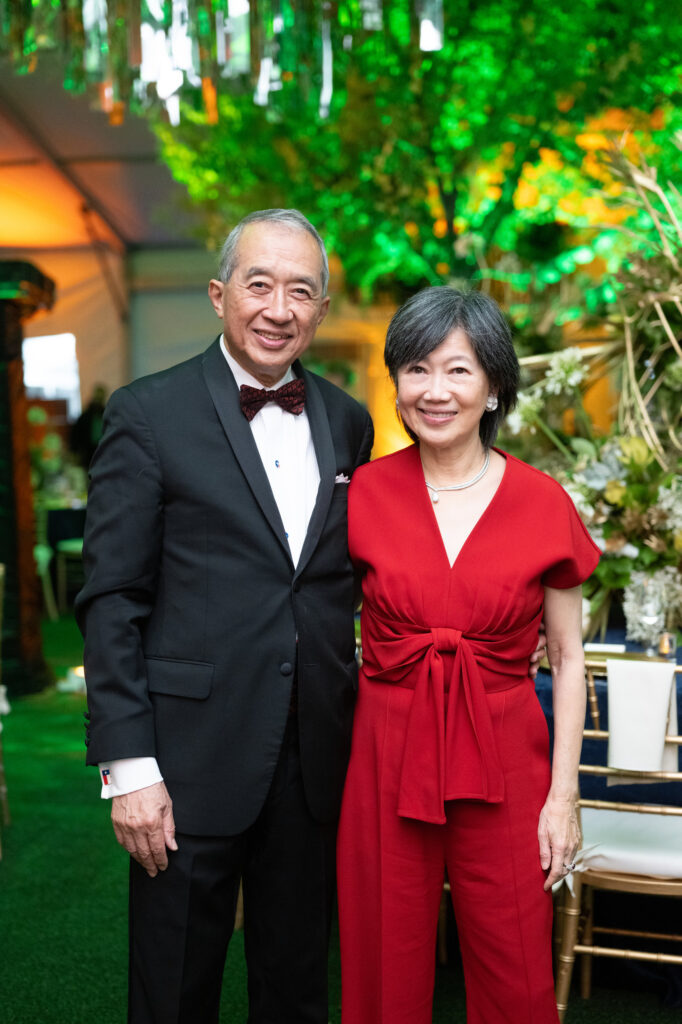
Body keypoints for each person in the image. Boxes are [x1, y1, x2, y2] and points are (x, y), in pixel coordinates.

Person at [74, 209, 374, 1024]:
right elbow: (112, 598)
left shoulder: (349, 421)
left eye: (301, 291)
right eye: (259, 284)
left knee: (297, 988)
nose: (279, 308)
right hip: (186, 760)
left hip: (314, 759)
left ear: (321, 309)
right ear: (219, 295)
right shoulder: (147, 412)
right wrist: (129, 767)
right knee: (173, 991)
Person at [336, 287, 600, 1024]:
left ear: (493, 388)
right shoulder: (363, 493)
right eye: (416, 369)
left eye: (458, 370)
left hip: (507, 753)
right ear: (397, 384)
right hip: (386, 747)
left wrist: (563, 796)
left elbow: (568, 657)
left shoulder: (544, 502)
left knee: (515, 958)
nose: (435, 390)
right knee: (383, 951)